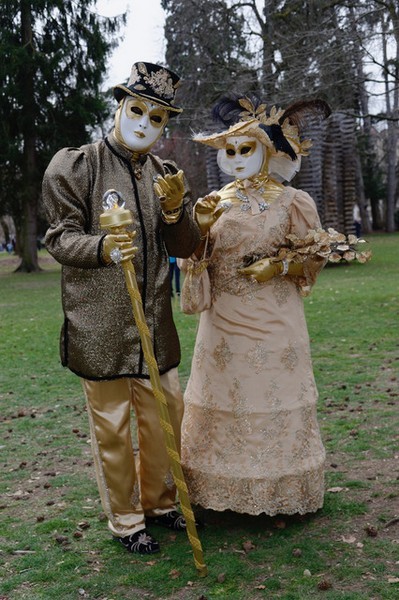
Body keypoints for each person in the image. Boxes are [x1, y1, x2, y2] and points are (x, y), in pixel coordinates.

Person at [42, 62, 201, 554]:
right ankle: (128, 520)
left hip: (154, 323)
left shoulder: (165, 174)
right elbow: (59, 237)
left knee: (164, 417)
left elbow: (188, 246)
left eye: (157, 119)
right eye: (137, 111)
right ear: (119, 107)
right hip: (101, 326)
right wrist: (102, 248)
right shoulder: (76, 166)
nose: (144, 124)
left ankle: (158, 502)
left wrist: (176, 211)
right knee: (112, 425)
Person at [180, 94, 330, 517]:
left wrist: (279, 265)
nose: (236, 157)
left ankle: (282, 492)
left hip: (276, 318)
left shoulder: (293, 202)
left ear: (268, 150)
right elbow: (196, 260)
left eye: (246, 148)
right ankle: (219, 493)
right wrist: (201, 233)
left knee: (273, 397)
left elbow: (313, 256)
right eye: (230, 150)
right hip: (223, 320)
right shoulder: (213, 202)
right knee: (225, 398)